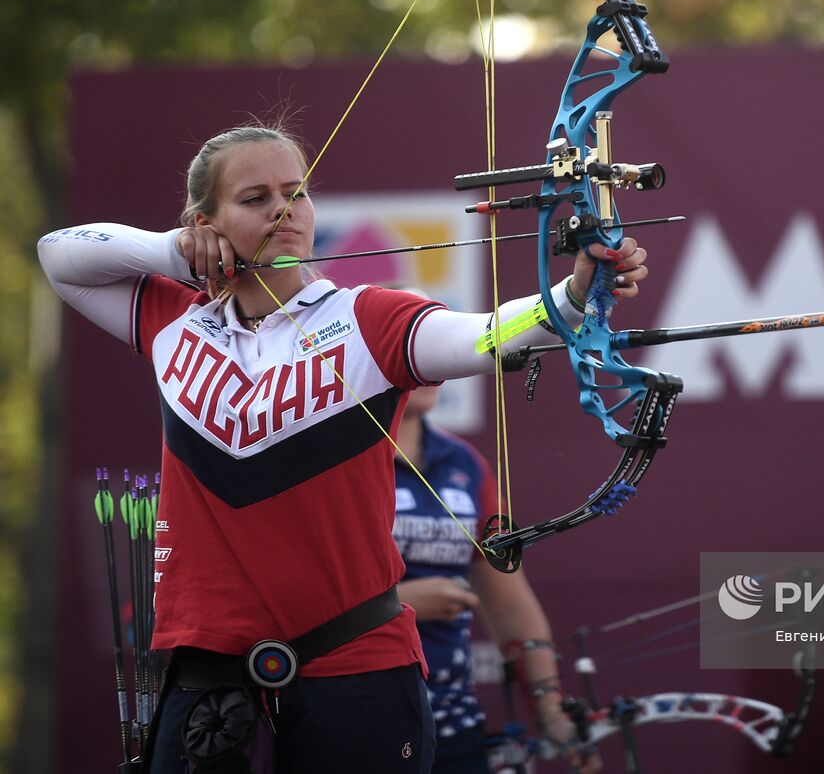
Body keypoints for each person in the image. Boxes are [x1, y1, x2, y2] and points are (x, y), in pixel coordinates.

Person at [38, 125, 646, 773]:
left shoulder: (366, 319)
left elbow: (489, 336)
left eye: (295, 192)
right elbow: (60, 256)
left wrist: (574, 297)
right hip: (208, 674)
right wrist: (173, 251)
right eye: (253, 198)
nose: (282, 209)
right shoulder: (173, 319)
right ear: (203, 222)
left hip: (356, 667)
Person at [393, 383, 601, 773]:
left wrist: (549, 705)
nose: (430, 374)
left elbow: (509, 603)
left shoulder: (463, 463)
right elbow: (293, 597)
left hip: (453, 728)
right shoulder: (331, 459)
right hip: (356, 721)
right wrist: (399, 604)